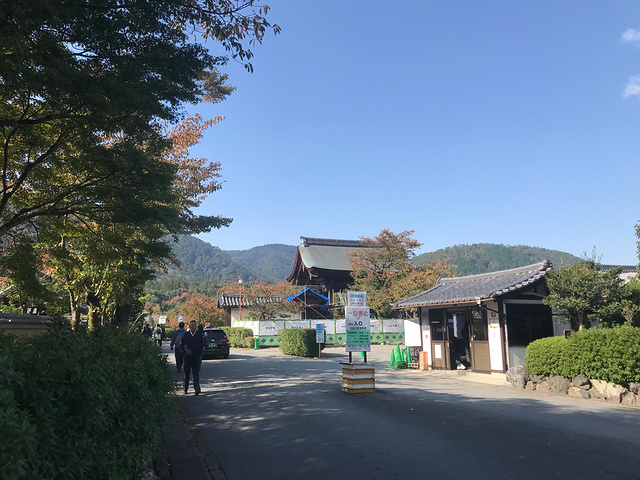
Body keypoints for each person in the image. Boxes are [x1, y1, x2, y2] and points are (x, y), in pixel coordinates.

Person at [180, 320, 205, 395]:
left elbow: (202, 345)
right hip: (187, 358)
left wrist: (199, 354)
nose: (193, 326)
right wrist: (184, 354)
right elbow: (181, 345)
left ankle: (196, 388)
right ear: (189, 326)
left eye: (195, 325)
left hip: (196, 357)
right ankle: (185, 388)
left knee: (196, 374)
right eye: (192, 325)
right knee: (186, 374)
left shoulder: (199, 335)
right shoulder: (185, 335)